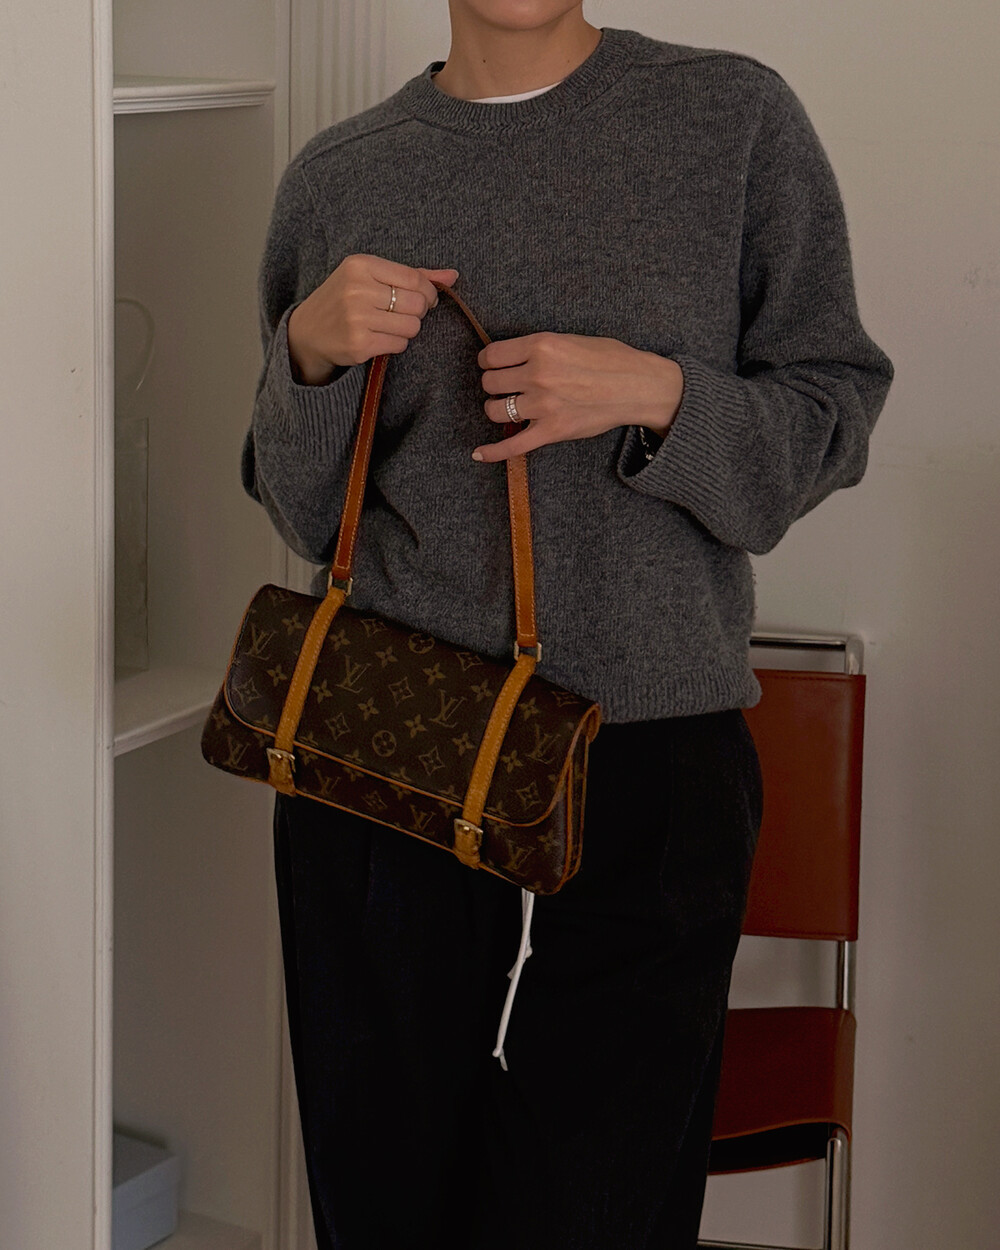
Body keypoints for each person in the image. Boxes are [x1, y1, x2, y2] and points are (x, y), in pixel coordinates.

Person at [240, 4, 894, 1247]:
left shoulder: (732, 118)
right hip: (392, 745)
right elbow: (300, 508)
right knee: (384, 1199)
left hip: (653, 746)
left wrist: (657, 392)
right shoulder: (338, 175)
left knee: (602, 1207)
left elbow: (830, 415)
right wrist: (309, 358)